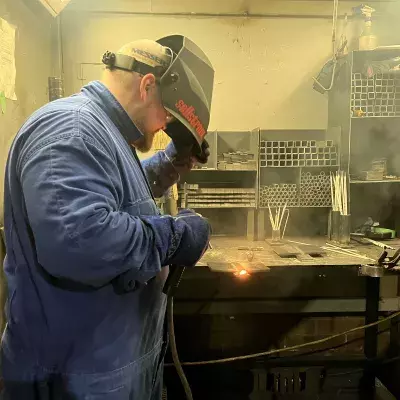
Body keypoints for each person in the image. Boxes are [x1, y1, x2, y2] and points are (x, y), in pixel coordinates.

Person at [1, 36, 214, 399]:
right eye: (167, 116)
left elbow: (116, 196)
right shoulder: (72, 129)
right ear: (148, 86)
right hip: (74, 377)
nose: (164, 127)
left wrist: (169, 165)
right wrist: (175, 237)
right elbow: (80, 241)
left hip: (105, 367)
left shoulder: (102, 131)